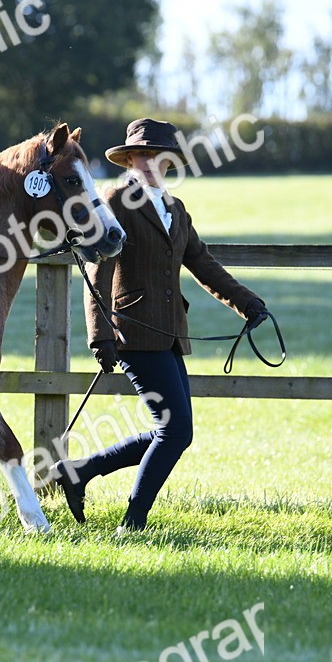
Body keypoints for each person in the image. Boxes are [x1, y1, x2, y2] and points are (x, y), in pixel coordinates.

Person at [50, 118, 268, 533]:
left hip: (169, 335)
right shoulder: (115, 201)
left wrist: (247, 303)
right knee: (174, 431)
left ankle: (79, 472)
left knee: (175, 432)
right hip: (131, 333)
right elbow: (98, 269)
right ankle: (132, 523)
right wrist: (99, 334)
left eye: (159, 156)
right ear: (130, 159)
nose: (151, 162)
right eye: (143, 155)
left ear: (169, 161)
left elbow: (202, 264)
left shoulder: (175, 209)